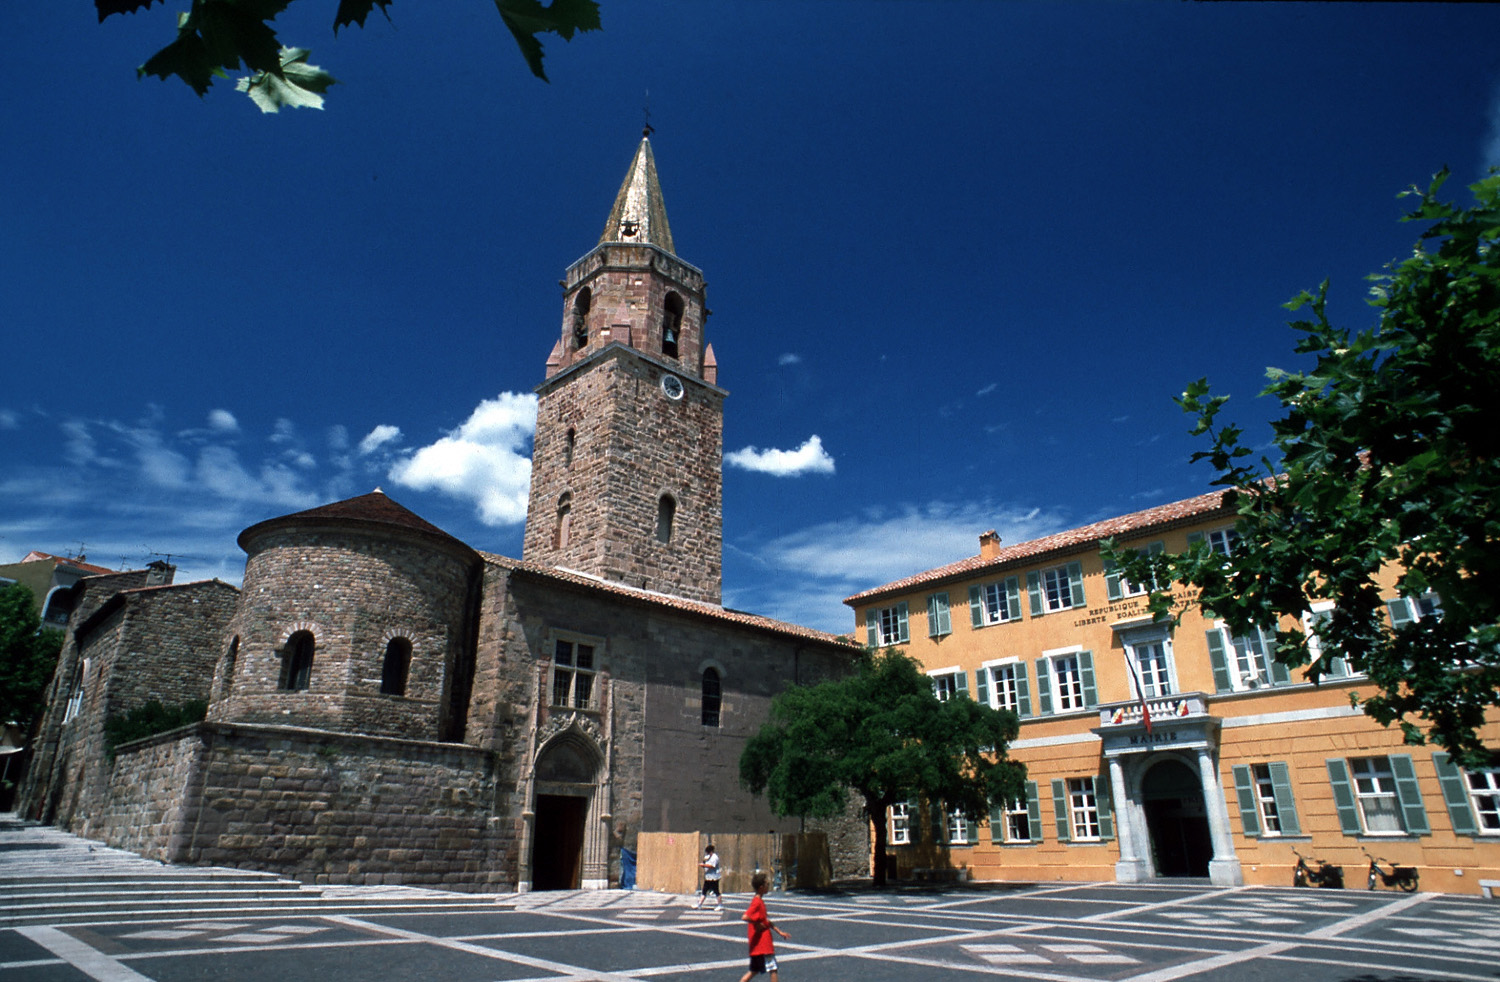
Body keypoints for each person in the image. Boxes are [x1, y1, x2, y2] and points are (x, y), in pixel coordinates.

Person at [739, 871, 789, 982]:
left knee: (754, 971)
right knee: (773, 969)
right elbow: (745, 917)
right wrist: (757, 924)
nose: (768, 886)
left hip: (759, 946)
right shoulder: (756, 902)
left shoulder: (759, 901)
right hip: (762, 944)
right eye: (767, 884)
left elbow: (766, 921)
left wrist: (779, 932)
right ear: (761, 887)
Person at [694, 843, 723, 910]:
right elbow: (706, 861)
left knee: (716, 891)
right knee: (704, 890)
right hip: (708, 877)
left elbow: (712, 866)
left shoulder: (715, 857)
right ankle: (699, 904)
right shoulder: (708, 856)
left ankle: (720, 905)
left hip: (714, 877)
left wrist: (703, 865)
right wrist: (704, 862)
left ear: (711, 851)